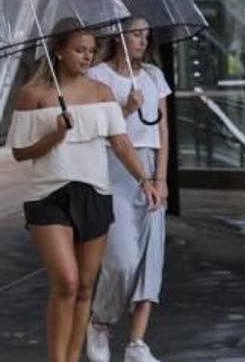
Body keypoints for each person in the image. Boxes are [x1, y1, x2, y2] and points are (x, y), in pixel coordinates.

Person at [8, 20, 159, 362]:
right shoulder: (34, 95)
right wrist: (54, 136)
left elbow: (120, 142)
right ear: (59, 51)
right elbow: (20, 151)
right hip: (48, 196)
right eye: (79, 50)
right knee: (67, 282)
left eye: (91, 51)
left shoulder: (101, 93)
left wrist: (144, 180)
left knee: (86, 288)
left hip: (94, 192)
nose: (87, 57)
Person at [84, 18, 172, 362]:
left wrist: (161, 179)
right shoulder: (98, 76)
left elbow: (163, 131)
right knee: (122, 260)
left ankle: (137, 342)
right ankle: (100, 320)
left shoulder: (153, 76)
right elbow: (95, 129)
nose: (142, 40)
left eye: (146, 35)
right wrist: (126, 109)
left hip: (151, 167)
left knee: (151, 258)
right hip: (113, 166)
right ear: (119, 37)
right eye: (136, 34)